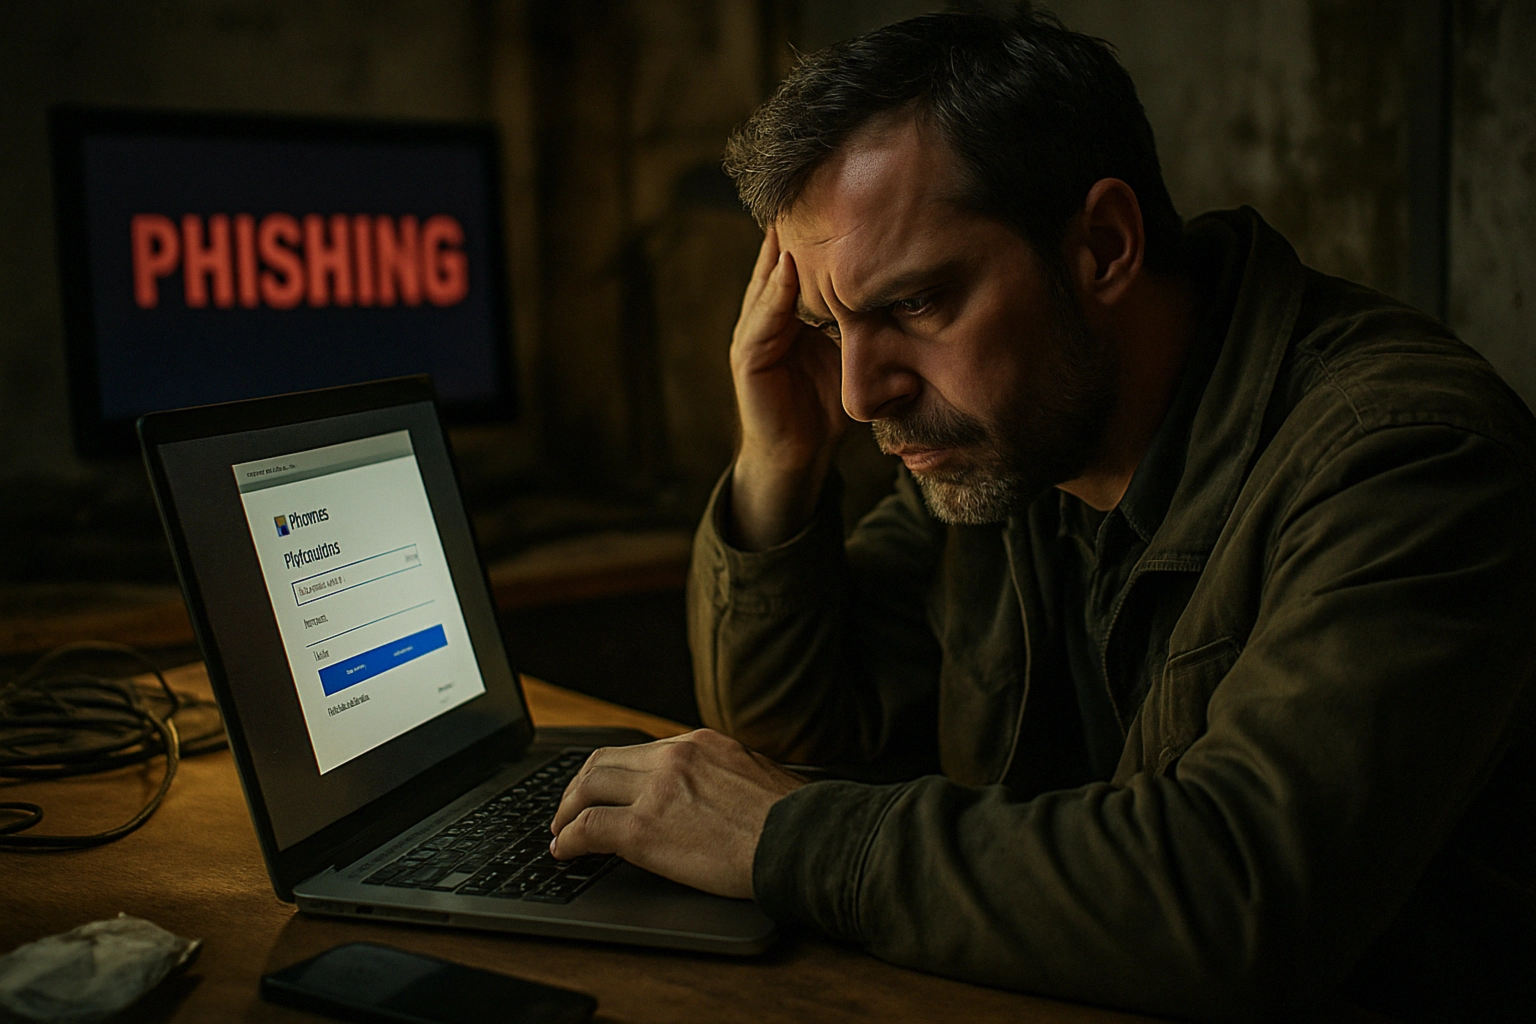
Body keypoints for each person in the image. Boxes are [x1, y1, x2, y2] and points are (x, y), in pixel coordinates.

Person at [549, 7, 1536, 1020]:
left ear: (1102, 246)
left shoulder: (1409, 460)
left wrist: (786, 840)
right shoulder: (1014, 446)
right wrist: (777, 460)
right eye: (826, 324)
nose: (859, 393)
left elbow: (1234, 896)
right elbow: (794, 731)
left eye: (916, 305)